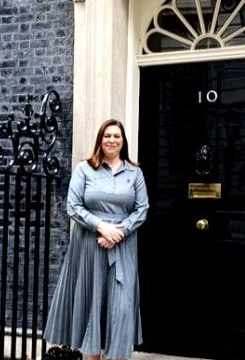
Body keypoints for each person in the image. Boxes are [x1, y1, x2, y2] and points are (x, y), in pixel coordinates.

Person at [44, 119, 149, 360]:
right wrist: (101, 226)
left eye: (117, 136)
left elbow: (141, 209)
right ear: (100, 140)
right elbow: (73, 205)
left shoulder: (134, 172)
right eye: (107, 136)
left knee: (121, 309)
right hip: (89, 246)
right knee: (92, 305)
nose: (112, 140)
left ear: (123, 142)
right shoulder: (84, 169)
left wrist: (118, 232)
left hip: (123, 246)